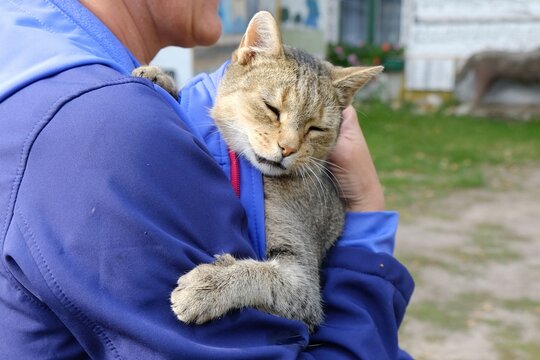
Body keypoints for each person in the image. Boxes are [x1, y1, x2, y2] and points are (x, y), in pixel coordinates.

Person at [0, 0, 414, 358]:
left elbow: (303, 295)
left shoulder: (39, 68)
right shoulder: (107, 125)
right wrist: (368, 225)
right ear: (247, 57)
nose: (288, 144)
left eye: (315, 130)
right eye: (272, 110)